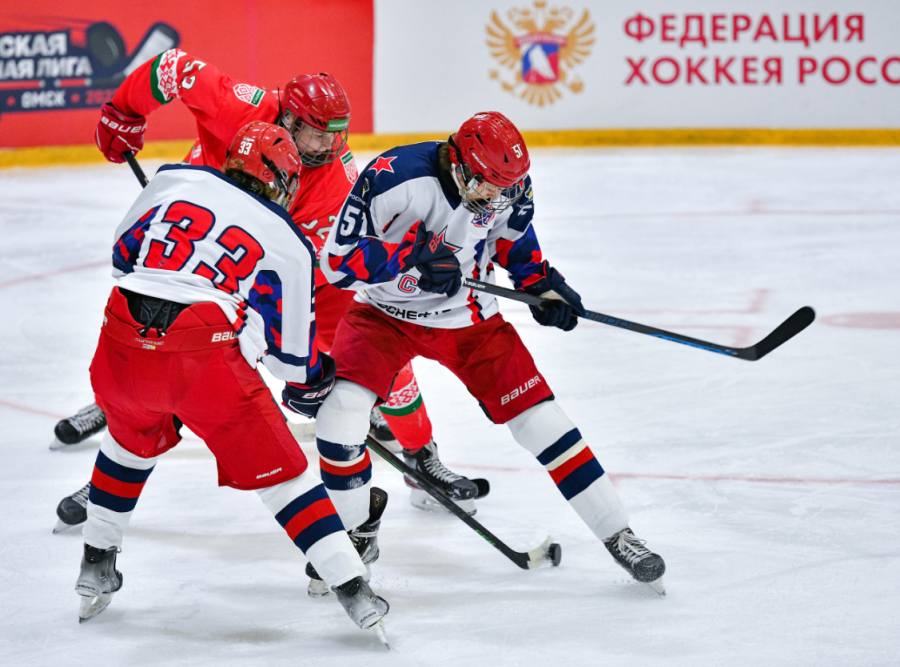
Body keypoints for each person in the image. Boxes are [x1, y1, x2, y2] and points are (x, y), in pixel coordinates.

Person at [53, 49, 486, 537]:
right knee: (172, 345)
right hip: (201, 249)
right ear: (286, 114)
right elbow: (170, 67)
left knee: (371, 346)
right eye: (316, 133)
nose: (326, 145)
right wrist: (123, 111)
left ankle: (421, 456)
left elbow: (307, 271)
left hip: (268, 268)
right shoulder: (239, 106)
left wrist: (291, 354)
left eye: (335, 134)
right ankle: (122, 431)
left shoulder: (335, 184)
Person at [314, 111, 667, 593]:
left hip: (469, 320)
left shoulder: (507, 185)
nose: (495, 199)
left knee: (544, 422)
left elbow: (516, 245)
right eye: (486, 187)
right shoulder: (393, 176)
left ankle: (620, 534)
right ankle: (354, 540)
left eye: (505, 189)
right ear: (458, 162)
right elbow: (336, 261)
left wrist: (543, 285)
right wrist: (408, 259)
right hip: (382, 317)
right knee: (339, 418)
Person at [74, 121, 389, 643]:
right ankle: (354, 590)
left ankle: (95, 563)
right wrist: (311, 380)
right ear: (284, 181)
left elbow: (122, 256)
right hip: (202, 355)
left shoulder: (172, 179)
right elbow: (294, 362)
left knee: (127, 446)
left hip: (120, 338)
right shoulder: (286, 239)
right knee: (285, 477)